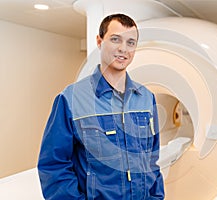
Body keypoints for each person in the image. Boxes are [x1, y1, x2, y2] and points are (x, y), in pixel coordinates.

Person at [38, 13, 165, 199]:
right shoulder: (71, 99)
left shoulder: (146, 98)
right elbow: (53, 166)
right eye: (115, 39)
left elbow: (151, 161)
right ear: (99, 41)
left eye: (131, 42)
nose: (123, 49)